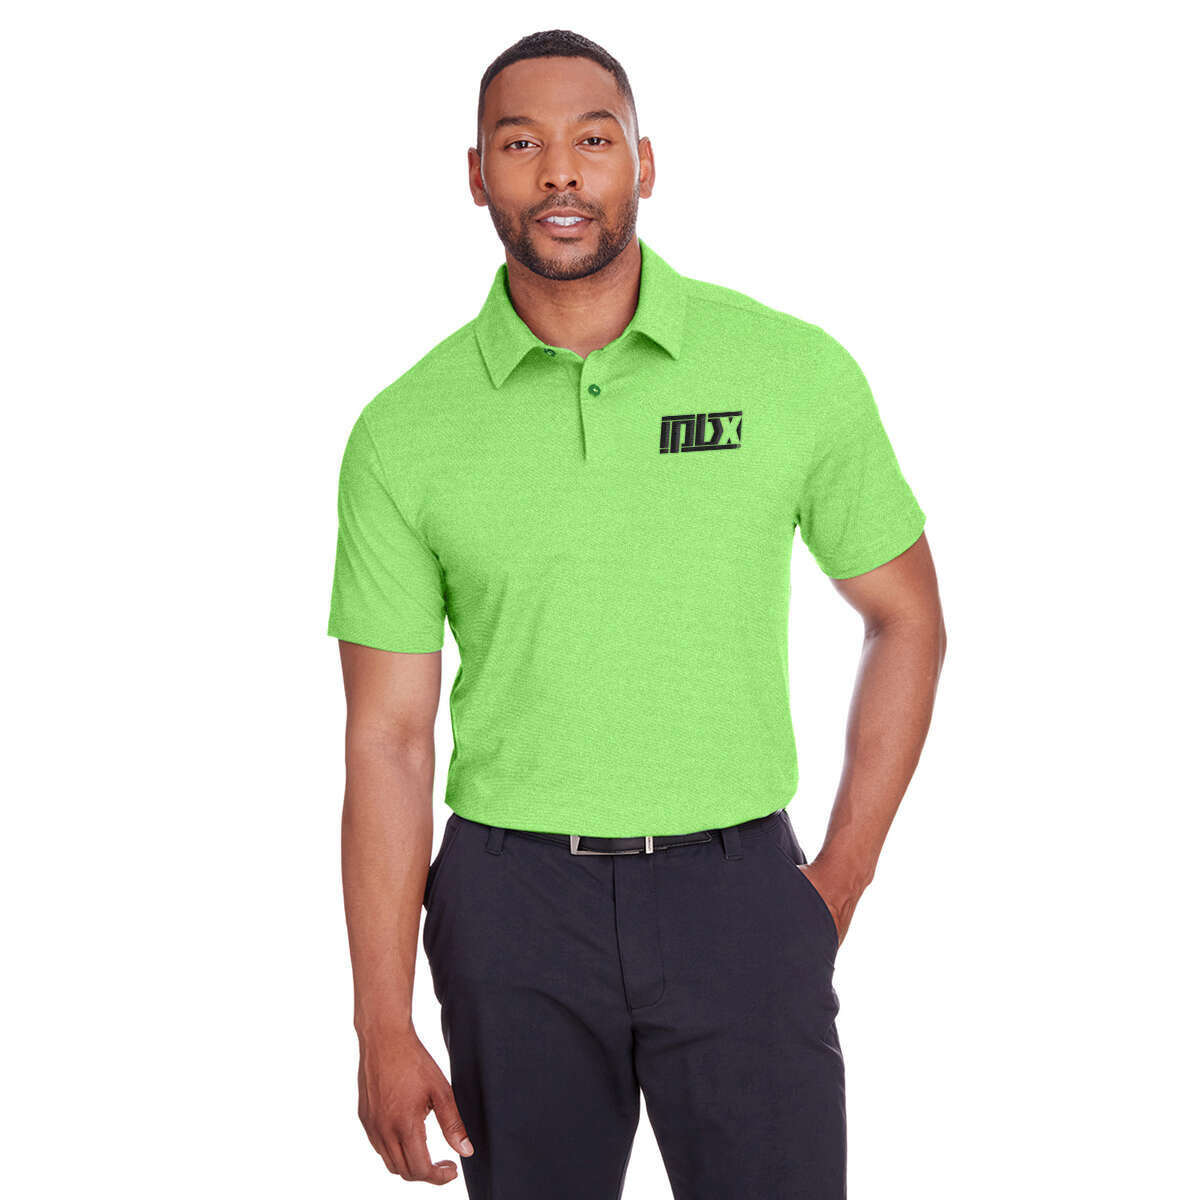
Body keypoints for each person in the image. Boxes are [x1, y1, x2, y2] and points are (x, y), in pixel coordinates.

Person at [327, 27, 947, 1198]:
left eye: (594, 140)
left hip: (739, 892)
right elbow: (389, 737)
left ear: (645, 164)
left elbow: (906, 615)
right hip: (510, 908)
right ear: (476, 175)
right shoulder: (403, 432)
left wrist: (840, 878)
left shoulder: (791, 371)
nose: (560, 171)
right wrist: (380, 1022)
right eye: (522, 143)